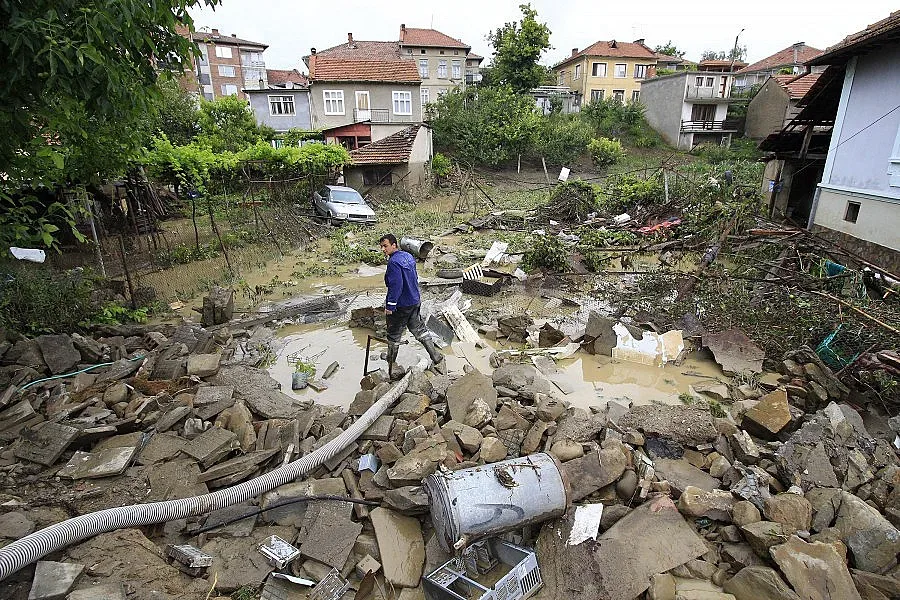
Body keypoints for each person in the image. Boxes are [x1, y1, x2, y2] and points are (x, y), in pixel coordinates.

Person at [379, 233, 444, 377]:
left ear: (394, 245)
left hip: (401, 305)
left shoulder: (393, 262)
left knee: (393, 335)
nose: (383, 249)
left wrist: (390, 306)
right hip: (414, 300)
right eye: (381, 246)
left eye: (385, 246)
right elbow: (414, 278)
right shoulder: (408, 256)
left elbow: (396, 285)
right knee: (420, 330)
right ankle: (435, 356)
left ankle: (391, 362)